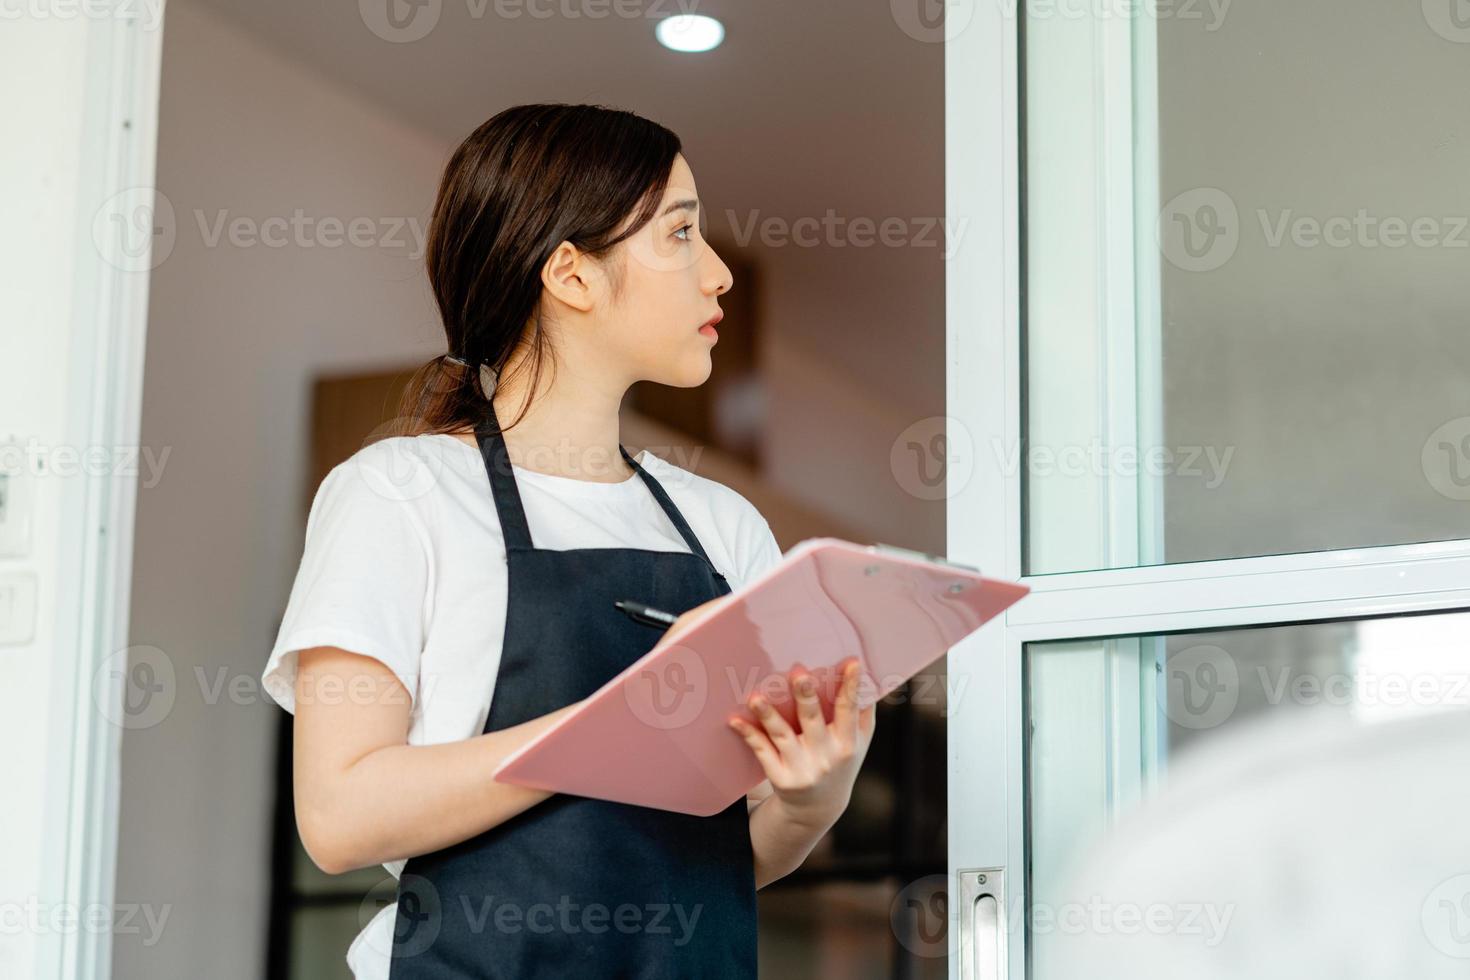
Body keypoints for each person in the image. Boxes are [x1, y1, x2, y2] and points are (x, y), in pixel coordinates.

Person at [260, 103, 877, 979]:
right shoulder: (400, 491)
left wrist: (813, 798)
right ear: (572, 275)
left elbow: (725, 858)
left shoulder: (722, 526)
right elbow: (338, 814)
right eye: (682, 235)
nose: (718, 276)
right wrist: (619, 719)